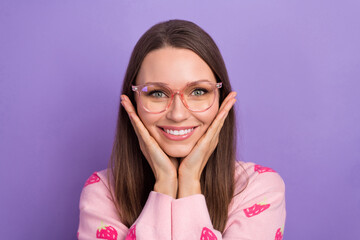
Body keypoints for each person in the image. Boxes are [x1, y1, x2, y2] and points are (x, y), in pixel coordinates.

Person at [77, 19, 286, 240]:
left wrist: (189, 181)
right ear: (133, 102)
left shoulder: (259, 188)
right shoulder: (103, 193)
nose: (177, 114)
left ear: (221, 99)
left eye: (197, 91)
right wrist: (165, 185)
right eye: (157, 93)